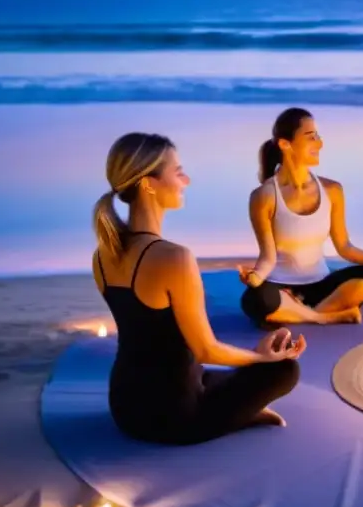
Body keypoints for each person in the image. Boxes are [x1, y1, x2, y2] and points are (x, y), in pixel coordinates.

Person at [91, 132, 305, 446]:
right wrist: (262, 359)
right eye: (178, 172)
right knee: (284, 370)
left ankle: (236, 407)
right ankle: (236, 416)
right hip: (174, 417)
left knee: (215, 373)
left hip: (124, 405)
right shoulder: (173, 258)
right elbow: (206, 349)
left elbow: (161, 344)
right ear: (148, 183)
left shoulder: (103, 255)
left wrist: (253, 357)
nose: (186, 180)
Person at [239, 107, 363, 326]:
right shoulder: (264, 196)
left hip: (322, 285)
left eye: (318, 136)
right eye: (311, 137)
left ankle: (298, 314)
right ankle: (323, 317)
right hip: (281, 288)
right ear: (285, 144)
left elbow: (344, 246)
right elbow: (268, 257)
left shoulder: (332, 190)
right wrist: (255, 277)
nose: (320, 143)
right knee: (255, 299)